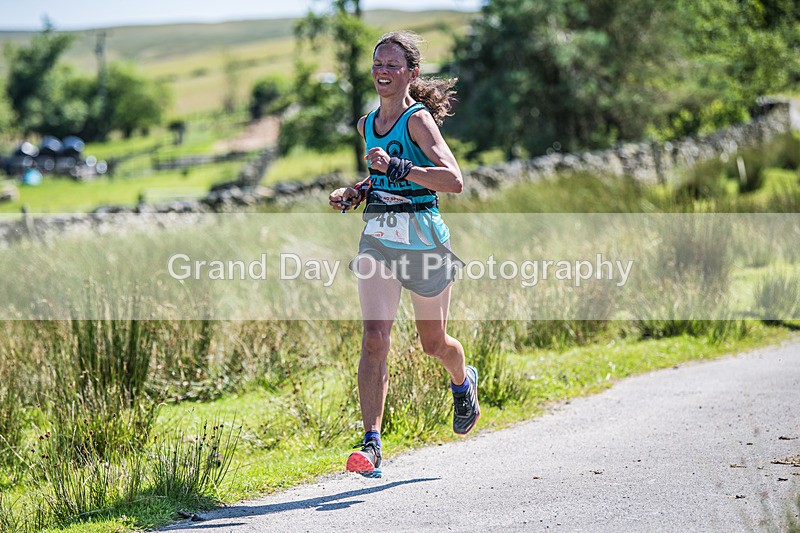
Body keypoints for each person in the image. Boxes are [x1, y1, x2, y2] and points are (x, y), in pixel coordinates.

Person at [328, 31, 479, 478]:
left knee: (434, 344)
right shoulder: (366, 124)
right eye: (378, 63)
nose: (383, 71)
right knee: (375, 336)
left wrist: (397, 166)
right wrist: (357, 191)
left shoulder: (418, 121)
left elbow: (453, 180)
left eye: (393, 65)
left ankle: (462, 380)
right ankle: (371, 443)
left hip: (424, 238)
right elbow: (381, 179)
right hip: (379, 237)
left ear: (411, 73)